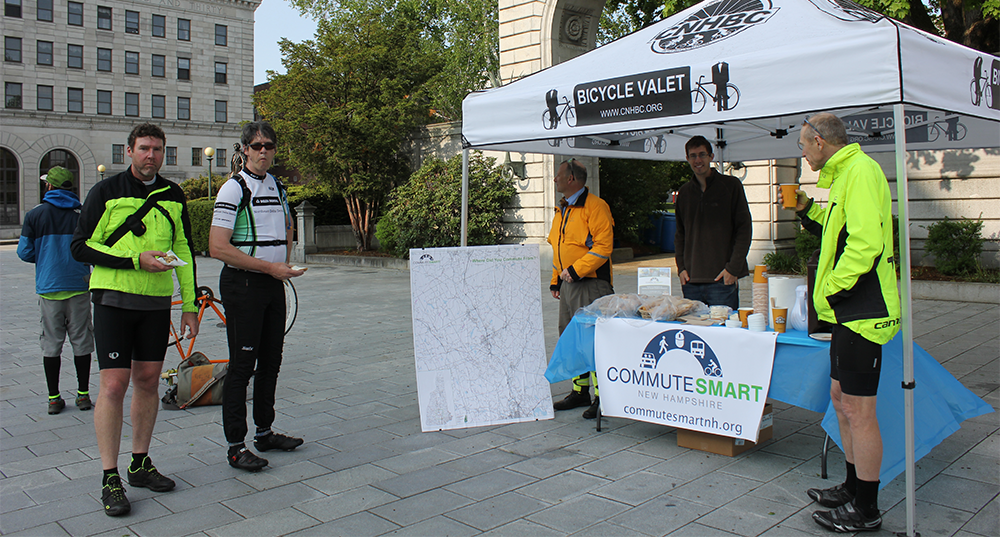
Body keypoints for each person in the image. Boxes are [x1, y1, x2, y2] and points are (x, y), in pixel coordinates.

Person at [71, 123, 200, 517]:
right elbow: (80, 246)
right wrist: (133, 260)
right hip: (112, 300)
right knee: (113, 384)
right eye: (144, 149)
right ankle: (110, 476)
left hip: (156, 304)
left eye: (158, 150)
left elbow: (183, 248)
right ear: (129, 151)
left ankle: (139, 463)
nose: (151, 156)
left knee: (146, 382)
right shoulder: (105, 191)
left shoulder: (174, 195)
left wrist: (190, 304)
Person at [783, 113, 900, 533]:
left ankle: (866, 508)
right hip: (847, 311)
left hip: (863, 308)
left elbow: (866, 244)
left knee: (859, 409)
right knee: (841, 398)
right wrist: (806, 211)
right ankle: (852, 488)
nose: (802, 152)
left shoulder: (861, 171)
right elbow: (840, 232)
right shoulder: (844, 174)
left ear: (818, 140)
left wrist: (832, 287)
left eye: (802, 144)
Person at [209, 121, 304, 471]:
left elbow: (287, 223)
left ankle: (265, 432)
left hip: (272, 284)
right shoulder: (233, 189)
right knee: (242, 366)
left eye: (269, 145)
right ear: (245, 150)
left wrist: (286, 261)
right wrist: (270, 268)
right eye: (257, 145)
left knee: (272, 361)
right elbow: (217, 247)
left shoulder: (278, 185)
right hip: (243, 284)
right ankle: (236, 445)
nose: (263, 150)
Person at [18, 166, 94, 415]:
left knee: (51, 344)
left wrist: (47, 257)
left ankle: (54, 398)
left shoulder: (35, 215)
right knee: (81, 341)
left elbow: (24, 252)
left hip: (49, 288)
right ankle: (83, 395)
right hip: (79, 286)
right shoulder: (83, 214)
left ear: (49, 186)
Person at [547, 159, 614, 419]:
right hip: (569, 285)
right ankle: (580, 391)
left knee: (592, 340)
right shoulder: (562, 209)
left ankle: (602, 396)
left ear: (572, 179)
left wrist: (574, 271)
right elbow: (558, 248)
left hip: (591, 283)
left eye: (558, 175)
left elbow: (603, 247)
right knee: (571, 338)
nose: (555, 180)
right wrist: (556, 280)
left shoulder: (595, 207)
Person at [674, 136, 752, 311]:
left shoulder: (731, 186)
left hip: (722, 281)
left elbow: (744, 229)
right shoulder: (684, 193)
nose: (698, 160)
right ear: (687, 159)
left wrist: (733, 269)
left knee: (725, 335)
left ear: (711, 156)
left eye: (702, 154)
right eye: (693, 156)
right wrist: (681, 268)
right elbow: (680, 234)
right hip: (691, 282)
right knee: (695, 334)